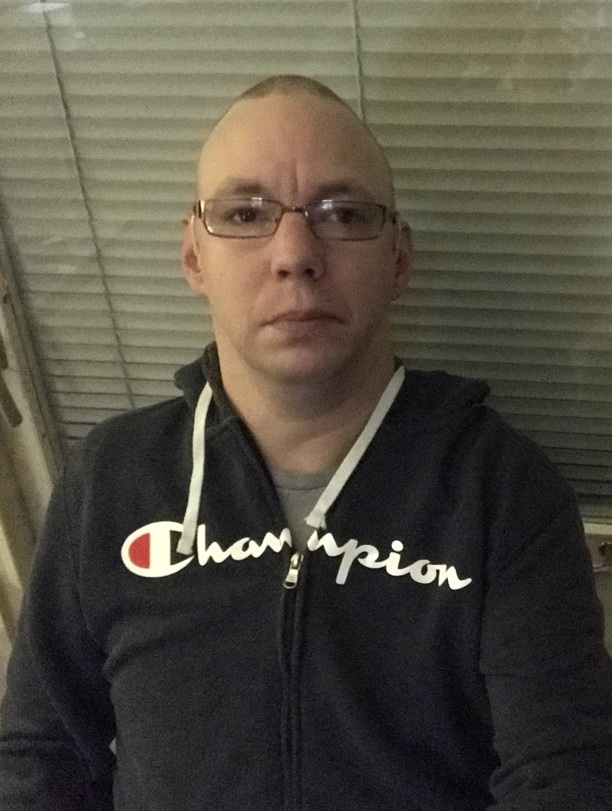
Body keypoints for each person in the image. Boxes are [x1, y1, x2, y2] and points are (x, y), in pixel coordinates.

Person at [1, 74, 612, 810]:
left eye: (343, 214)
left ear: (399, 258)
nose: (295, 253)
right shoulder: (111, 478)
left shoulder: (503, 491)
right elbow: (40, 755)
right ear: (194, 256)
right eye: (245, 213)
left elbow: (565, 775)